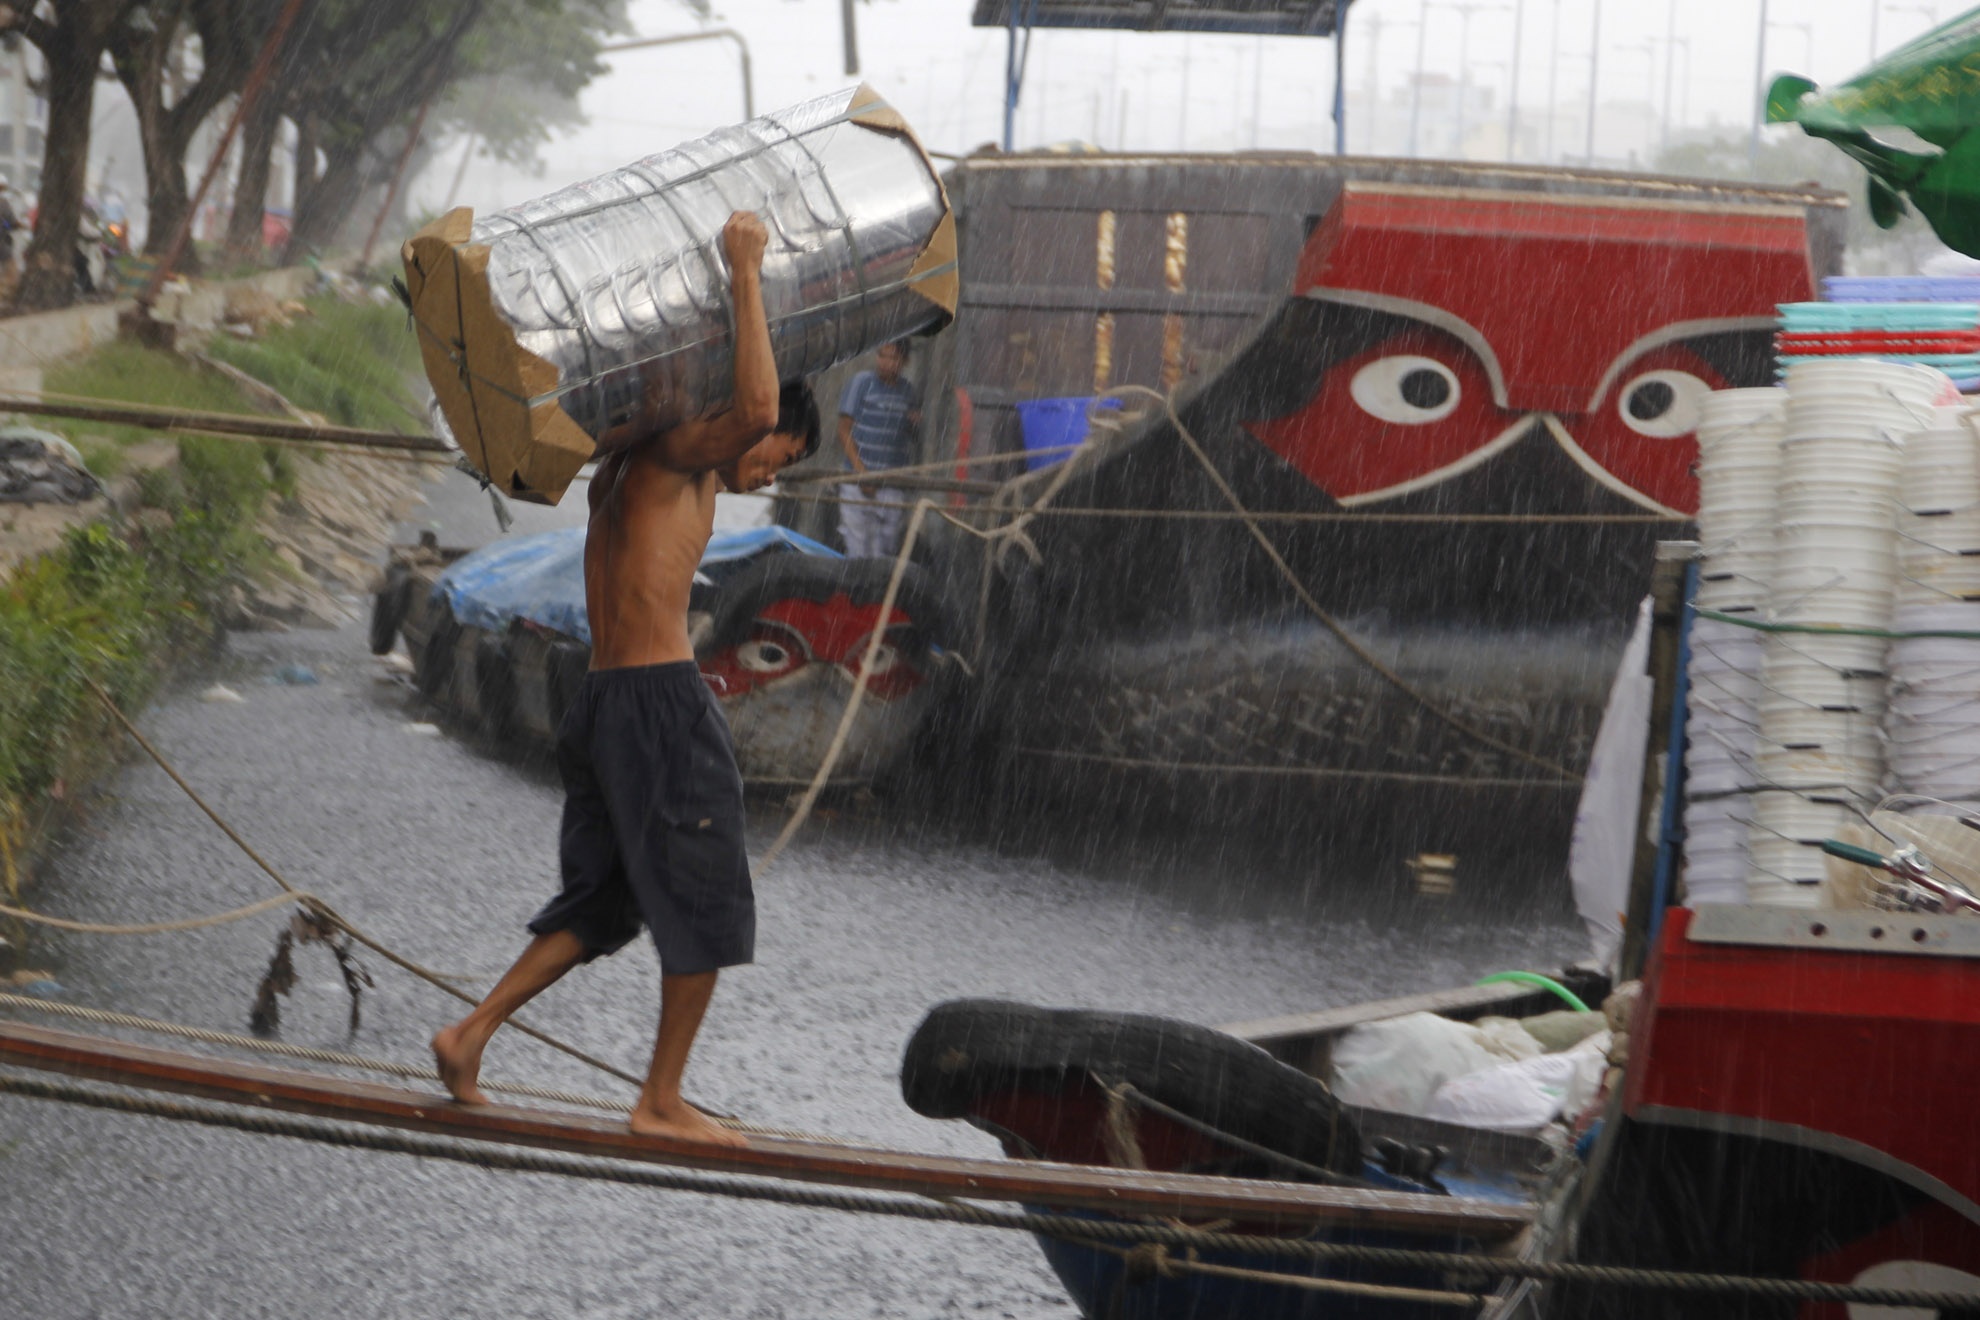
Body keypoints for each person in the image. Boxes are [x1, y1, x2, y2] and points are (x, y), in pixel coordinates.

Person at [431, 211, 820, 1148]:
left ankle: (468, 1035)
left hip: (601, 702)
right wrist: (745, 270)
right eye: (785, 454)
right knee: (709, 890)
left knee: (605, 902)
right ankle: (661, 1100)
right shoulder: (681, 457)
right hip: (655, 702)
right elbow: (755, 409)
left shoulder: (620, 466)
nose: (773, 468)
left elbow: (731, 410)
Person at [836, 339, 921, 558]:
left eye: (892, 358)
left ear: (905, 361)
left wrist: (915, 424)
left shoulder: (908, 393)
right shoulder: (861, 383)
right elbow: (844, 431)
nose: (885, 362)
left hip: (892, 485)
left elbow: (909, 436)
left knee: (885, 552)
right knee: (857, 551)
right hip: (857, 483)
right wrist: (862, 474)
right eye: (882, 355)